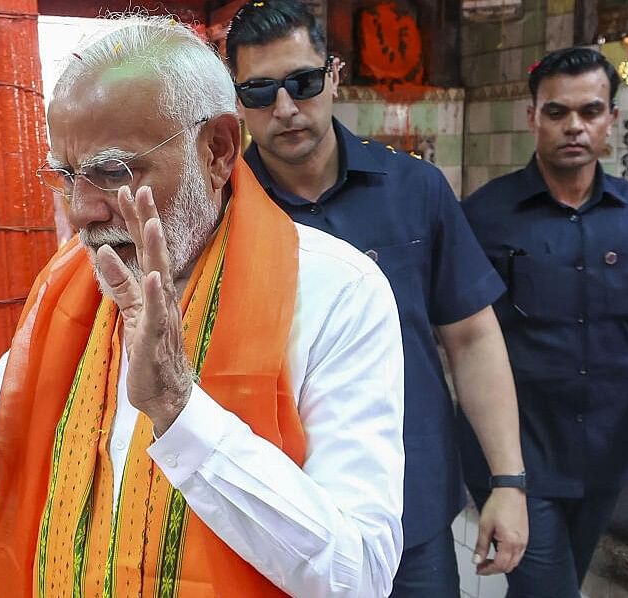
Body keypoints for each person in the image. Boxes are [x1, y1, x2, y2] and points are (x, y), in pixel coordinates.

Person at [0, 15, 406, 597]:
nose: (81, 209)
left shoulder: (336, 291)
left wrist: (180, 411)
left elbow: (359, 574)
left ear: (218, 149)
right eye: (68, 176)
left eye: (111, 170)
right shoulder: (69, 285)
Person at [224, 2, 528, 595]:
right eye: (259, 92)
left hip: (409, 507)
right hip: (278, 516)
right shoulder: (221, 212)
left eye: (303, 83)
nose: (285, 108)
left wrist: (508, 481)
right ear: (237, 100)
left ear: (333, 75)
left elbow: (472, 338)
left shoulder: (415, 190)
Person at [461, 47, 628, 597]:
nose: (574, 126)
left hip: (608, 450)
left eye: (590, 111)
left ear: (612, 119)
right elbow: (464, 337)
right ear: (532, 117)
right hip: (520, 451)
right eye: (557, 112)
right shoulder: (486, 217)